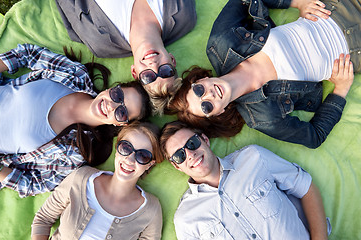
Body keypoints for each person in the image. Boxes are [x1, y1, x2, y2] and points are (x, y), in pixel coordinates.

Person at [167, 0, 358, 148]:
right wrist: (340, 90)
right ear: (219, 113)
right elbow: (315, 136)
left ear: (202, 80)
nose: (209, 95)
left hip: (336, 7)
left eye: (199, 90)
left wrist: (296, 2)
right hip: (355, 51)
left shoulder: (221, 43)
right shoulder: (264, 118)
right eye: (207, 106)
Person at [0, 43, 151, 197]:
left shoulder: (75, 153)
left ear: (121, 124)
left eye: (122, 112)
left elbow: (33, 184)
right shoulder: (75, 76)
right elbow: (28, 53)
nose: (112, 105)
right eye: (118, 95)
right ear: (113, 88)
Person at [160, 120, 331, 239]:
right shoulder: (186, 219)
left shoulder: (254, 158)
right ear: (176, 166)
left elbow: (306, 187)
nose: (190, 154)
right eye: (179, 155)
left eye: (191, 144)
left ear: (205, 140)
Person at [54, 0, 197, 114]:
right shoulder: (184, 16)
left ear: (134, 72)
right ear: (172, 60)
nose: (154, 65)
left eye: (148, 76)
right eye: (165, 71)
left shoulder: (100, 43)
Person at [31, 121, 163, 240]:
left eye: (143, 155)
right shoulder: (81, 178)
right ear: (117, 149)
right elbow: (43, 218)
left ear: (150, 164)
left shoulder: (151, 209)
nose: (129, 159)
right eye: (126, 148)